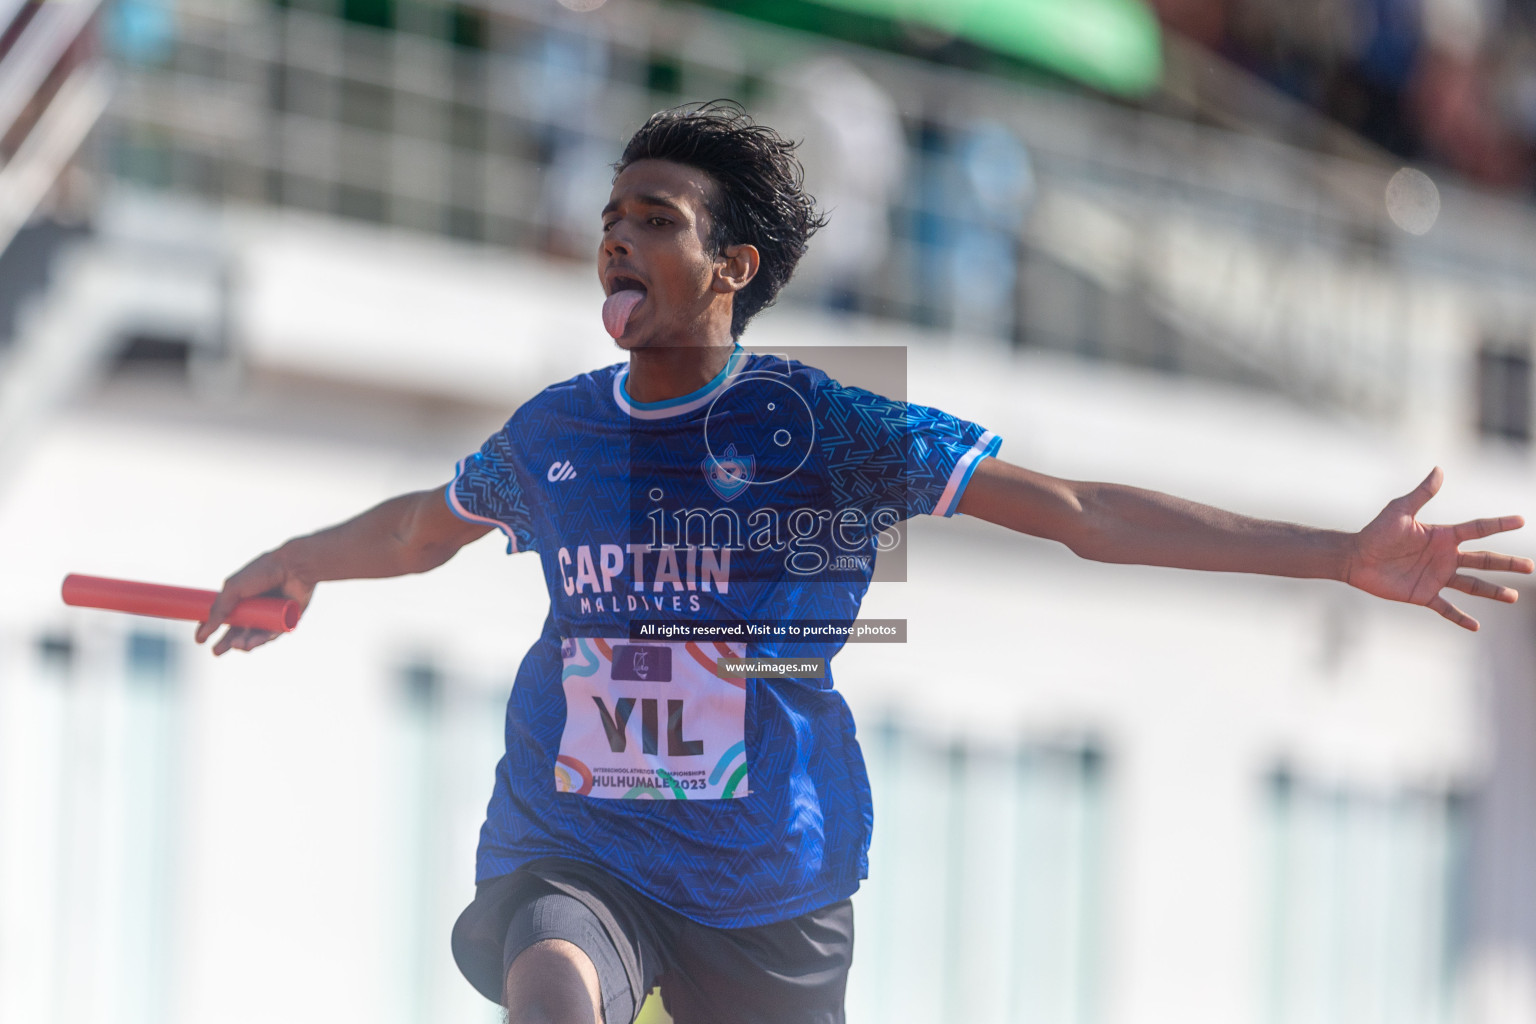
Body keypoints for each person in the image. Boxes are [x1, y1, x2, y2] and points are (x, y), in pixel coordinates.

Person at [194, 102, 1532, 1024]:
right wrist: (303, 563)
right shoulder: (555, 433)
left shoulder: (827, 431)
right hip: (574, 837)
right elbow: (426, 527)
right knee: (551, 980)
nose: (616, 238)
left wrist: (1336, 557)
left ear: (734, 267)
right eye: (611, 215)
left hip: (771, 878)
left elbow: (1078, 511)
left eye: (654, 219)